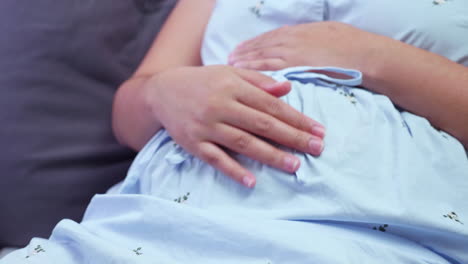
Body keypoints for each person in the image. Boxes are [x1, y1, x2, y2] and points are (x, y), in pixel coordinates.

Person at [2, 0, 467, 263]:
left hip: (379, 224)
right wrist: (164, 92)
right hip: (157, 216)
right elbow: (129, 115)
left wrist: (379, 60)